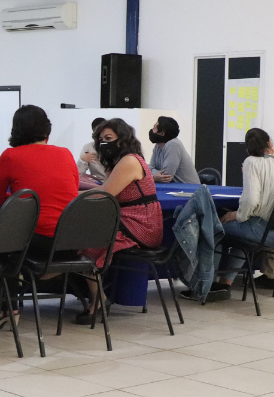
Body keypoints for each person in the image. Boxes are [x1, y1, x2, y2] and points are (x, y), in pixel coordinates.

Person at [0, 105, 79, 330]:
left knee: (2, 245)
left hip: (37, 241)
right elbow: (70, 191)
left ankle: (7, 308)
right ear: (46, 128)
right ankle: (6, 306)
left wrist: (20, 199)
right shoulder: (65, 153)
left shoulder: (11, 155)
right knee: (15, 250)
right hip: (71, 240)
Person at [189, 128, 274, 298]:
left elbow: (251, 201)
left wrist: (237, 215)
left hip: (262, 230)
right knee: (241, 235)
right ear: (270, 142)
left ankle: (204, 287)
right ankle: (224, 284)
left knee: (213, 229)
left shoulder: (251, 162)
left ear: (248, 148)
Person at [78, 119, 163, 323]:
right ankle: (97, 296)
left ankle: (99, 300)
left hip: (141, 225)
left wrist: (70, 195)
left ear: (122, 139)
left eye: (108, 138)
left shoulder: (129, 161)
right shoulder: (121, 161)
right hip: (132, 220)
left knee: (87, 245)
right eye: (101, 139)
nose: (104, 143)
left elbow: (105, 194)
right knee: (86, 236)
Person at [148, 116, 200, 184]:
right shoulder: (158, 146)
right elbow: (149, 168)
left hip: (188, 188)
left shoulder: (173, 144)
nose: (152, 130)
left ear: (162, 133)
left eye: (154, 128)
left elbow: (166, 176)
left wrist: (153, 174)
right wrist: (155, 175)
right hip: (174, 187)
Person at [77, 117, 108, 183]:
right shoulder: (88, 147)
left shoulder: (115, 145)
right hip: (98, 182)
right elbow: (78, 174)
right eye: (97, 134)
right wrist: (82, 160)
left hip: (116, 181)